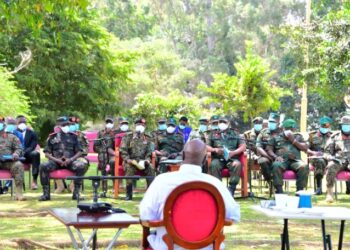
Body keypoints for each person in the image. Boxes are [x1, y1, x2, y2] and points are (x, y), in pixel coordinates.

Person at [139, 139, 240, 250]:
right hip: (208, 247)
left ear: (182, 155)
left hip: (167, 246)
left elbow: (145, 215)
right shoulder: (215, 184)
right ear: (205, 159)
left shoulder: (162, 181)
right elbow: (234, 216)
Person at [38, 116, 88, 201]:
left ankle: (76, 193)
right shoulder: (52, 137)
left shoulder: (74, 136)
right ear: (59, 126)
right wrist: (56, 160)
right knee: (43, 166)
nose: (66, 126)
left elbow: (80, 151)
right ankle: (46, 194)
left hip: (70, 161)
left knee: (81, 165)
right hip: (56, 162)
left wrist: (71, 159)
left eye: (67, 124)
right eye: (64, 125)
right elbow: (46, 153)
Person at [266, 119, 309, 193]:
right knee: (276, 165)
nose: (290, 130)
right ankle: (279, 191)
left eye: (291, 129)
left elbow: (305, 148)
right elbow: (269, 149)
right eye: (287, 129)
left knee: (304, 166)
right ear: (283, 129)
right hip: (282, 160)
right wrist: (275, 156)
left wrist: (293, 140)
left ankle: (300, 191)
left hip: (295, 161)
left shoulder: (298, 137)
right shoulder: (275, 137)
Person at [206, 116, 246, 196]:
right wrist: (215, 150)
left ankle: (232, 188)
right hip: (218, 157)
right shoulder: (212, 134)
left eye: (224, 122)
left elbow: (243, 146)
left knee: (237, 164)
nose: (222, 124)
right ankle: (218, 188)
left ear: (228, 124)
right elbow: (206, 146)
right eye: (220, 122)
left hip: (232, 158)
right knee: (214, 164)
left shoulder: (235, 133)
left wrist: (234, 152)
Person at [120, 118, 155, 200]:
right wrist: (127, 159)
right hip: (130, 161)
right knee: (129, 169)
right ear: (135, 126)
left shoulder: (148, 138)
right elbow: (123, 150)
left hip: (143, 162)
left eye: (142, 125)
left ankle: (151, 195)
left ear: (145, 126)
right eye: (138, 124)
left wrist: (147, 160)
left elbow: (150, 151)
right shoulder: (128, 136)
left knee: (151, 168)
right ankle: (129, 194)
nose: (140, 126)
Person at [323, 115, 350, 203]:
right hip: (339, 161)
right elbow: (326, 153)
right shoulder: (334, 137)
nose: (347, 127)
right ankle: (329, 193)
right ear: (341, 126)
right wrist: (330, 157)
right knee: (331, 166)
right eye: (345, 125)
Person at [0, 116, 25, 200]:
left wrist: (16, 153)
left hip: (9, 161)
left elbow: (19, 148)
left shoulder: (12, 137)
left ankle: (19, 193)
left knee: (18, 165)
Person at [13, 115, 40, 190]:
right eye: (20, 122)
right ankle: (18, 183)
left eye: (24, 122)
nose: (22, 123)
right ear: (16, 123)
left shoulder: (32, 133)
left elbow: (32, 146)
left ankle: (34, 181)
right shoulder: (12, 133)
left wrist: (24, 152)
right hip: (16, 155)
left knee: (36, 154)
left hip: (27, 155)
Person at [307, 116, 333, 195]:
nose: (324, 127)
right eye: (323, 126)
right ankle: (319, 187)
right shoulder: (312, 135)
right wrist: (313, 153)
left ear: (329, 126)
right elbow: (306, 148)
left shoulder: (332, 136)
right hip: (316, 158)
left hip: (329, 158)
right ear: (320, 125)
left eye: (327, 126)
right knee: (320, 161)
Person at [93, 117, 116, 195]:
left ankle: (115, 188)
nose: (109, 124)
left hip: (112, 155)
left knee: (113, 166)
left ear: (113, 124)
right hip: (103, 155)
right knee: (104, 170)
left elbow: (117, 145)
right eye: (107, 123)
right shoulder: (100, 133)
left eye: (110, 123)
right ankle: (104, 190)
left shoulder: (115, 133)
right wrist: (102, 150)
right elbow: (95, 146)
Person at [256, 113, 281, 183]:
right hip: (265, 156)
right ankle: (270, 181)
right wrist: (269, 157)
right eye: (270, 122)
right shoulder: (263, 132)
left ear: (278, 122)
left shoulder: (282, 132)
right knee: (263, 161)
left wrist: (277, 157)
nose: (270, 123)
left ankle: (277, 183)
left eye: (273, 122)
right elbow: (259, 147)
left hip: (279, 156)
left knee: (279, 163)